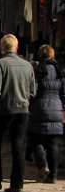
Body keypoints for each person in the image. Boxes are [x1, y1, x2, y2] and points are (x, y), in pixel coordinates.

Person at [0, 34, 36, 192]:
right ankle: (17, 185)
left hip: (2, 110)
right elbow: (33, 91)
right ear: (16, 47)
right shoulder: (27, 66)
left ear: (1, 48)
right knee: (18, 147)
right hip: (21, 110)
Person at [27, 44, 65, 184]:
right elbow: (63, 92)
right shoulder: (59, 70)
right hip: (56, 108)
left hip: (39, 108)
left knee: (36, 139)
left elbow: (33, 91)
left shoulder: (38, 70)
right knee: (52, 143)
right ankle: (53, 175)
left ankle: (42, 165)